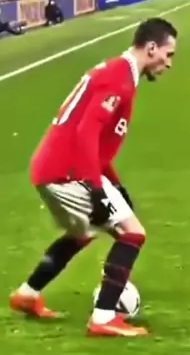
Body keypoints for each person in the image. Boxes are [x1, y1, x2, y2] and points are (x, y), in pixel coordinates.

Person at [9, 17, 178, 337]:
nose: (168, 64)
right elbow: (87, 131)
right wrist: (97, 188)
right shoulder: (120, 78)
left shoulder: (118, 72)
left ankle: (27, 295)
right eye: (168, 55)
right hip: (67, 172)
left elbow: (97, 145)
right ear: (151, 48)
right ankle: (103, 318)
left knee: (82, 233)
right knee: (132, 233)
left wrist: (114, 183)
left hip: (51, 169)